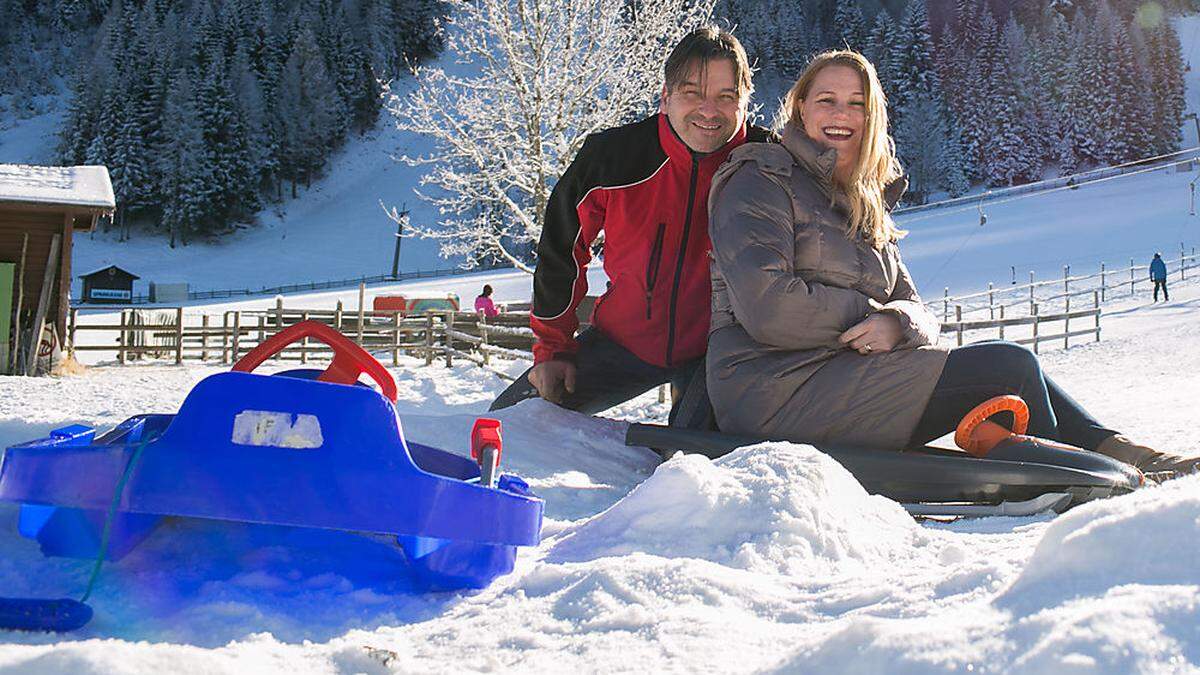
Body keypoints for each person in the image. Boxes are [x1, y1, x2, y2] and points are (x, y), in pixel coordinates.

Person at [705, 50, 1200, 481]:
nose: (842, 114)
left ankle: (1107, 457)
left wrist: (895, 323)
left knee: (1007, 369)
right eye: (827, 100)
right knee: (1005, 366)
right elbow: (768, 307)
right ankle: (1094, 469)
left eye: (857, 103)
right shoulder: (761, 179)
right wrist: (866, 315)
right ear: (799, 108)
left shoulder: (862, 200)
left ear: (872, 117)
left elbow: (915, 306)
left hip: (844, 379)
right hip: (772, 392)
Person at [489, 27, 775, 418]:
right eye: (692, 92)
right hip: (621, 344)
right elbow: (562, 249)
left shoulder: (768, 162)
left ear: (745, 104)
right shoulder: (613, 157)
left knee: (687, 464)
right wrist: (553, 349)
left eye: (726, 97)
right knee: (509, 421)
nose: (709, 111)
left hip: (718, 353)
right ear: (666, 96)